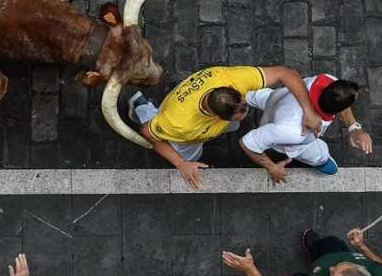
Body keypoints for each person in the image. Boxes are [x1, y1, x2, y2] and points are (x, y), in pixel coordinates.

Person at [129, 65, 323, 190]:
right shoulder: (178, 122)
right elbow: (148, 134)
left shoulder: (231, 78)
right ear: (215, 117)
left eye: (245, 108)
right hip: (184, 136)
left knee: (234, 126)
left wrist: (308, 110)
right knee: (190, 155)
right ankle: (140, 107)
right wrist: (181, 164)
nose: (247, 114)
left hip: (204, 124)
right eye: (240, 113)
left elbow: (285, 73)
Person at [240, 75, 373, 183]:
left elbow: (341, 98)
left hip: (276, 99)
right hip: (285, 138)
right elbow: (248, 143)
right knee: (318, 154)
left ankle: (241, 96)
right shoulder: (294, 132)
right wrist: (272, 167)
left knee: (259, 96)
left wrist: (354, 127)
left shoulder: (324, 80)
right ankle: (322, 161)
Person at [223, 228, 382, 276]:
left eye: (333, 275)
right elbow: (378, 263)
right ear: (363, 268)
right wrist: (361, 247)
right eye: (340, 265)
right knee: (331, 243)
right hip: (335, 252)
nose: (331, 267)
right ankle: (315, 248)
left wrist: (250, 270)